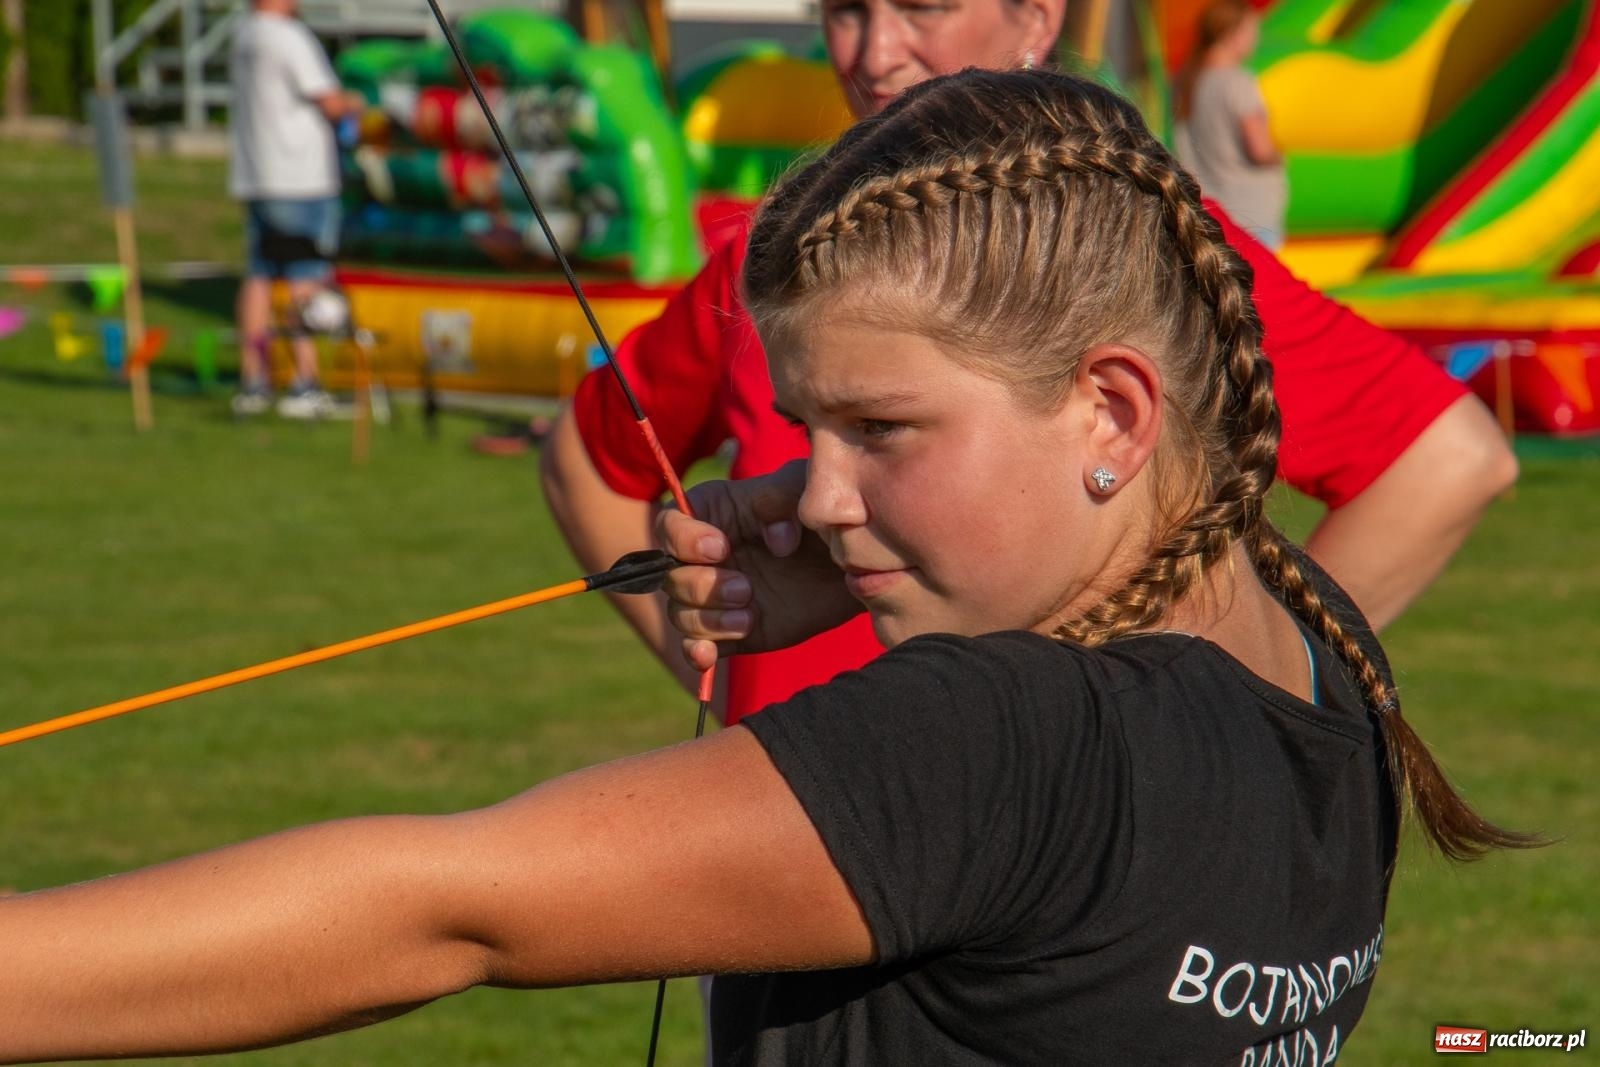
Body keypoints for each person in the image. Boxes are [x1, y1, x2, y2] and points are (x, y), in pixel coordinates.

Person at [0, 72, 1532, 1065]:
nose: (819, 493)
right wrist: (879, 555)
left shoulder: (1007, 737)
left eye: (880, 429)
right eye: (807, 430)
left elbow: (446, 905)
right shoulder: (1316, 646)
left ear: (1113, 412)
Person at [541, 0, 1517, 723]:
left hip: (1018, 888)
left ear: (1034, 23)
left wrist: (1233, 716)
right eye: (844, 11)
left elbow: (1443, 459)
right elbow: (589, 454)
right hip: (776, 849)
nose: (875, 54)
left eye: (922, 8)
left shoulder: (1133, 255)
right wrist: (712, 662)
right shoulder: (778, 265)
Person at [228, 0, 363, 419]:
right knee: (305, 276)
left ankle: (254, 382)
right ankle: (305, 385)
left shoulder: (245, 33)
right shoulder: (290, 36)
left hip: (257, 174)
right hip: (299, 178)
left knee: (260, 275)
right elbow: (329, 101)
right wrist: (358, 102)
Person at [1174, 0, 1287, 250]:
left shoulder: (1183, 81)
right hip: (1251, 215)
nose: (1254, 39)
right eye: (1251, 31)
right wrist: (1279, 153)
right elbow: (1259, 149)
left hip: (1209, 212)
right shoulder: (1238, 83)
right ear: (1232, 35)